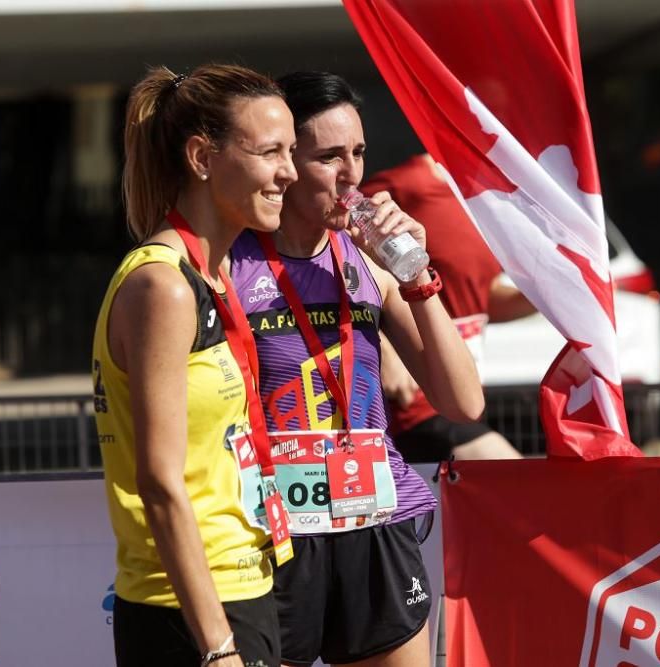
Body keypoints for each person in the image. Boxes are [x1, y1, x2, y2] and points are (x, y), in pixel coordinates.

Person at [228, 72, 484, 667]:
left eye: (359, 153)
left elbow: (464, 403)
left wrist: (418, 276)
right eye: (330, 157)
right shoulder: (229, 262)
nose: (352, 176)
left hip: (373, 516)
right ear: (286, 164)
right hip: (274, 530)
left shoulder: (370, 262)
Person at [92, 64, 298, 667]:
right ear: (202, 157)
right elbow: (159, 483)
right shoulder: (165, 286)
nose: (288, 170)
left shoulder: (217, 274)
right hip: (189, 614)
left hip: (240, 587)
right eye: (269, 152)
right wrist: (217, 647)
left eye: (290, 151)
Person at [362, 154, 529, 462]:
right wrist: (381, 347)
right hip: (414, 403)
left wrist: (546, 297)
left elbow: (479, 297)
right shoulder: (407, 184)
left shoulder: (486, 197)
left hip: (462, 394)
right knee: (522, 492)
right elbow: (343, 251)